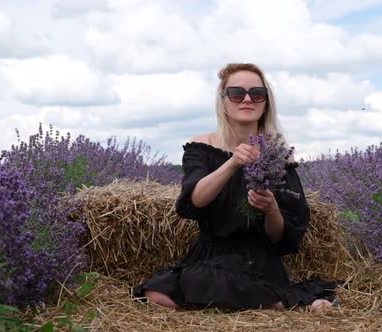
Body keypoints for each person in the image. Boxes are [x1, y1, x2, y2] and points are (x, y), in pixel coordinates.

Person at [133, 63, 338, 310]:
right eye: (237, 93)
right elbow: (194, 201)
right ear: (223, 101)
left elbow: (282, 239)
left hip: (258, 259)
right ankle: (278, 303)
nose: (247, 99)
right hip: (211, 254)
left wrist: (272, 209)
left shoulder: (278, 157)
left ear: (265, 103)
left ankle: (270, 300)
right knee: (156, 294)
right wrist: (232, 163)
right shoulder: (202, 146)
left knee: (208, 286)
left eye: (257, 94)